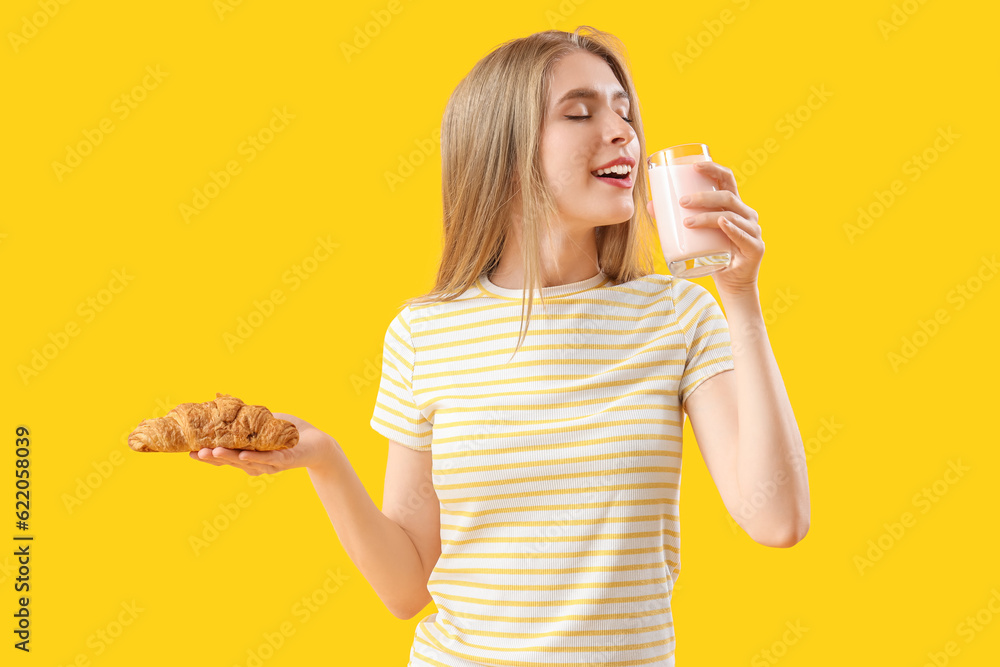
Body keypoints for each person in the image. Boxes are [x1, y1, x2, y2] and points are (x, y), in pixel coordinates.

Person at [191, 25, 810, 667]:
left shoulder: (678, 316)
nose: (623, 131)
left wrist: (739, 295)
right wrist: (321, 457)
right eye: (580, 112)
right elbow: (406, 588)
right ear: (505, 150)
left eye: (625, 112)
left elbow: (776, 520)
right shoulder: (423, 333)